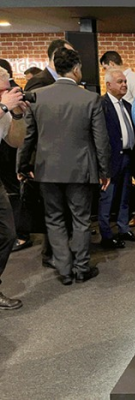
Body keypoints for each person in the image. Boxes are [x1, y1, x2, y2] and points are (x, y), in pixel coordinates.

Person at [19, 48, 111, 286]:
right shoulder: (90, 98)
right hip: (81, 169)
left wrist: (22, 166)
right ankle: (81, 268)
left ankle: (64, 269)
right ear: (76, 69)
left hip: (46, 170)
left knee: (54, 218)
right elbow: (101, 140)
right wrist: (105, 171)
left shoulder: (38, 97)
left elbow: (28, 137)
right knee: (81, 219)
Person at [99, 51, 135, 228]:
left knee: (125, 196)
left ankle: (123, 228)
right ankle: (107, 233)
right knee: (109, 196)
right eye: (120, 82)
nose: (124, 85)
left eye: (125, 82)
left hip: (129, 155)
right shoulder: (101, 106)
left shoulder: (127, 106)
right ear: (108, 85)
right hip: (112, 158)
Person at [0, 66, 28, 309]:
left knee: (7, 233)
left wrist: (17, 115)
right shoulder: (2, 106)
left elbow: (15, 140)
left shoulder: (5, 107)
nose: (7, 92)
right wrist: (3, 107)